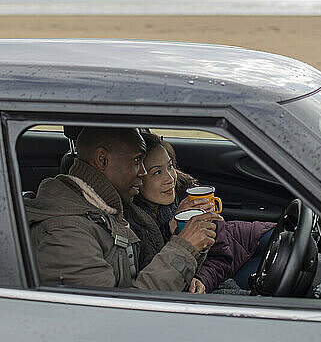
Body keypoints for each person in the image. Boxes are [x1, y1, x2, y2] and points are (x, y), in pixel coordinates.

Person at [24, 126, 221, 291]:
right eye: (137, 161)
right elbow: (111, 318)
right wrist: (183, 248)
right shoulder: (66, 233)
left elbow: (146, 271)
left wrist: (190, 242)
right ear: (102, 160)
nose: (143, 173)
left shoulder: (108, 208)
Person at [134, 132, 275, 294]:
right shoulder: (135, 223)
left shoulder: (185, 192)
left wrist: (202, 277)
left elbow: (220, 249)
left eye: (170, 166)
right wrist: (173, 230)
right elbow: (159, 274)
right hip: (226, 263)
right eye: (157, 172)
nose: (170, 178)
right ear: (138, 178)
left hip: (242, 242)